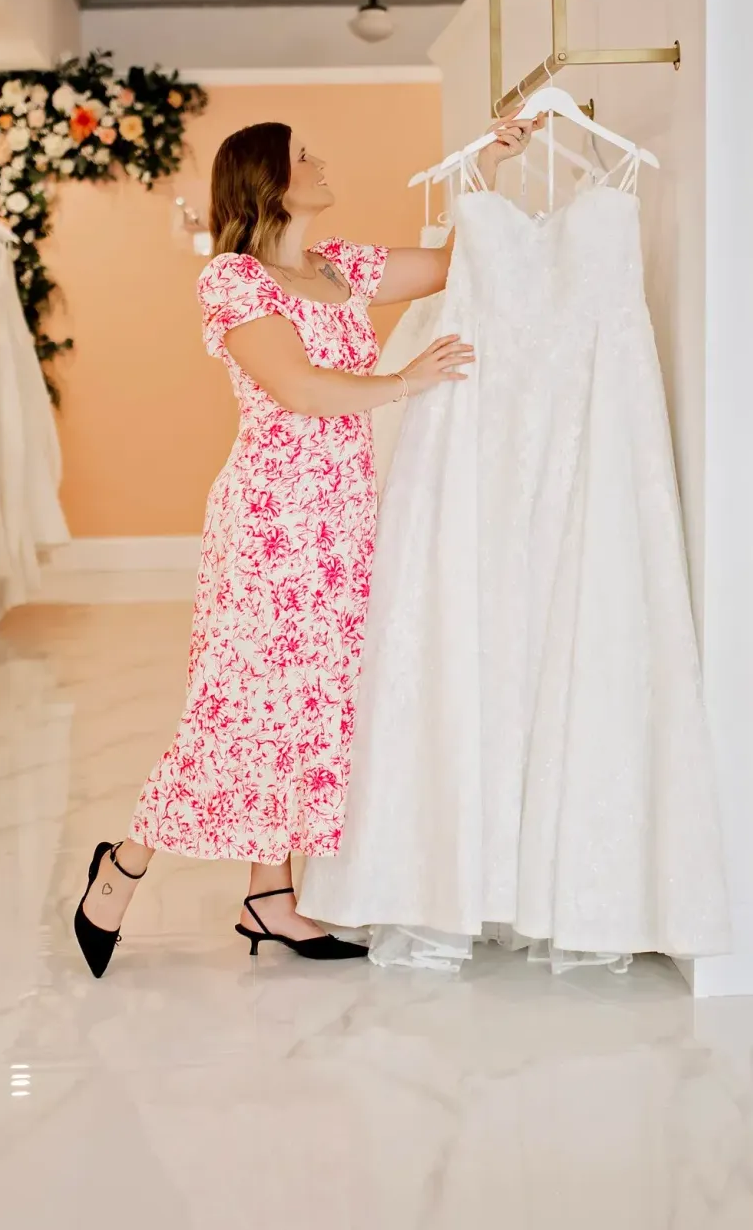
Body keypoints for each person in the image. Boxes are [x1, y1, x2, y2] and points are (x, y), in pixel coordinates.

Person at [73, 115, 541, 977]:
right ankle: (123, 865)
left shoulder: (343, 267)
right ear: (271, 182)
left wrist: (487, 168)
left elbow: (450, 265)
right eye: (304, 157)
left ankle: (272, 898)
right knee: (237, 711)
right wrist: (407, 380)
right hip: (271, 526)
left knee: (313, 709)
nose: (322, 164)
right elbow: (294, 387)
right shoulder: (232, 282)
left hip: (341, 524)